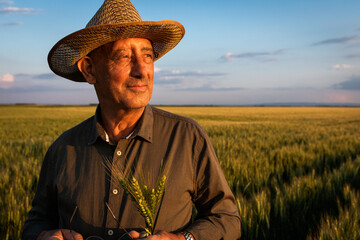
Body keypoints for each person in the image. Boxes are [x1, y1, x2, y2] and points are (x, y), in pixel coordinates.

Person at [22, 0, 241, 239]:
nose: (141, 70)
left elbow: (227, 219)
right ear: (89, 70)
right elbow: (36, 222)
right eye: (124, 56)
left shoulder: (187, 137)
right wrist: (43, 236)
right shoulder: (62, 149)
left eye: (147, 56)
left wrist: (183, 238)